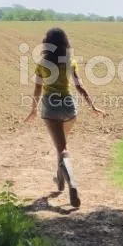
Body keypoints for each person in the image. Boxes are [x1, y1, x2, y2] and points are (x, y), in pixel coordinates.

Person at [24, 27, 106, 207]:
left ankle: (72, 184)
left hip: (50, 109)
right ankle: (60, 182)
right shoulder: (70, 62)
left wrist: (33, 110)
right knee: (61, 146)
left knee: (62, 149)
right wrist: (93, 106)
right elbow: (79, 86)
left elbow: (37, 90)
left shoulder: (42, 64)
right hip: (69, 108)